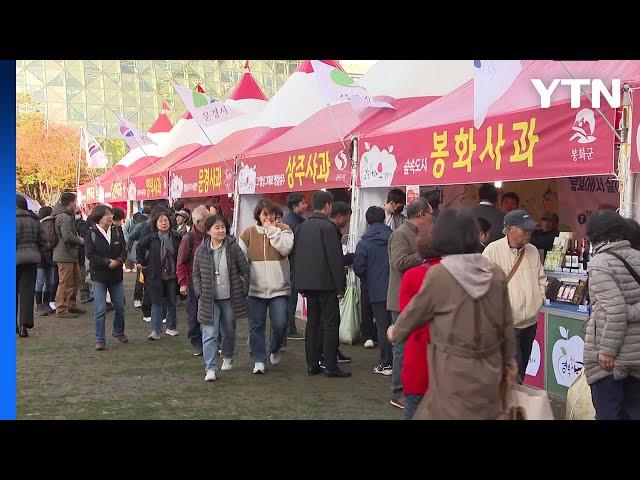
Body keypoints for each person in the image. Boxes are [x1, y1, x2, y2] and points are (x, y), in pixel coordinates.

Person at [388, 208, 517, 420]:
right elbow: (506, 328)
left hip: (452, 375)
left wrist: (394, 331)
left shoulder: (440, 274)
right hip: (489, 375)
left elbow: (409, 319)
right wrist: (508, 362)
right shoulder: (495, 273)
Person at [584, 210, 640, 420]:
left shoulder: (600, 263)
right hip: (636, 354)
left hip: (612, 358)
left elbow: (614, 310)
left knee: (608, 413)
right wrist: (630, 311)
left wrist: (607, 351)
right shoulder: (637, 256)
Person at [482, 209, 546, 384]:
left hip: (530, 322)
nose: (529, 233)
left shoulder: (532, 251)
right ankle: (509, 407)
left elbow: (542, 279)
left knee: (521, 368)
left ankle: (511, 405)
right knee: (513, 372)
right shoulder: (492, 251)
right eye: (524, 229)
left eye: (530, 229)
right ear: (509, 229)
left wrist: (539, 299)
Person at [294, 190, 351, 378]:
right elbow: (335, 260)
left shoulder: (302, 227)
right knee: (330, 324)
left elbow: (297, 257)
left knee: (312, 324)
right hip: (326, 284)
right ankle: (330, 365)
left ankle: (312, 364)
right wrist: (340, 286)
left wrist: (299, 283)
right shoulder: (328, 228)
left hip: (307, 283)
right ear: (327, 206)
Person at [387, 197, 435, 409]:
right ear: (422, 215)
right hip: (401, 298)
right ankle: (398, 392)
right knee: (401, 347)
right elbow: (399, 262)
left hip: (418, 298)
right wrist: (425, 254)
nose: (433, 220)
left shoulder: (419, 234)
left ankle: (412, 388)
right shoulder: (400, 234)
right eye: (431, 215)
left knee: (414, 346)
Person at [239, 198, 294, 374]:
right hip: (255, 289)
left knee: (280, 323)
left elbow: (285, 249)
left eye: (271, 213)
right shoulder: (248, 234)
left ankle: (275, 347)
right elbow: (240, 258)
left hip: (279, 288)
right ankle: (259, 360)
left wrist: (272, 230)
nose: (268, 217)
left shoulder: (284, 230)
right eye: (264, 214)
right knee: (256, 325)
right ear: (258, 215)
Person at [193, 215, 250, 381]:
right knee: (209, 333)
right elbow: (195, 274)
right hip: (208, 299)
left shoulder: (233, 247)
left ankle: (227, 354)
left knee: (228, 330)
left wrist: (243, 288)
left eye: (223, 227)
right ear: (208, 231)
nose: (221, 230)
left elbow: (245, 269)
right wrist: (199, 291)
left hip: (229, 297)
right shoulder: (201, 250)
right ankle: (210, 368)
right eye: (217, 228)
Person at [398, 224, 441, 420]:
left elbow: (406, 317)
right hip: (448, 358)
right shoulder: (455, 274)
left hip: (417, 353)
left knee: (414, 410)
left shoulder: (412, 276)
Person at [353, 206, 393, 375]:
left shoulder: (364, 243)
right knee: (398, 325)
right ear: (384, 219)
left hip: (376, 290)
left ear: (367, 222)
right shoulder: (394, 237)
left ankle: (386, 363)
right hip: (397, 287)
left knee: (383, 328)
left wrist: (368, 279)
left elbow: (359, 267)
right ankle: (399, 362)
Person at [85, 204, 128, 350]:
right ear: (99, 217)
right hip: (99, 275)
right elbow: (90, 254)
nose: (110, 216)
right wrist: (106, 262)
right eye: (106, 214)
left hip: (116, 275)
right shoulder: (91, 233)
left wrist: (119, 261)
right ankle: (100, 339)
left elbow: (124, 249)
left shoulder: (117, 231)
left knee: (120, 306)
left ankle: (118, 331)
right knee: (100, 308)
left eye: (110, 214)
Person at [136, 210, 182, 340]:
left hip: (172, 274)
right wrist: (142, 263)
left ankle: (171, 327)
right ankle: (155, 330)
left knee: (172, 300)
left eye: (166, 220)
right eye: (161, 221)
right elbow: (139, 247)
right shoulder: (152, 237)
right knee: (156, 302)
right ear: (155, 223)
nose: (164, 223)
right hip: (155, 274)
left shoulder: (176, 236)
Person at [177, 205, 210, 356]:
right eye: (207, 220)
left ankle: (213, 343)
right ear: (198, 222)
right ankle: (197, 342)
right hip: (193, 283)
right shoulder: (188, 238)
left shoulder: (212, 235)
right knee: (194, 315)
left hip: (211, 282)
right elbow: (181, 262)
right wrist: (183, 283)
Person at [129, 204, 170, 322]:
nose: (163, 221)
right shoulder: (147, 226)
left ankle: (161, 314)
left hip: (162, 262)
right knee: (148, 287)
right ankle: (147, 312)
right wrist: (140, 261)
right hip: (149, 262)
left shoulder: (166, 229)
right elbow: (140, 245)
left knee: (161, 287)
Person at [17, 194, 46, 337]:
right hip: (31, 259)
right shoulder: (35, 220)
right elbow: (43, 240)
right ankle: (24, 325)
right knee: (27, 293)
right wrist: (36, 251)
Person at [52, 192, 86, 318]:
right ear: (71, 203)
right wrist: (80, 240)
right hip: (64, 253)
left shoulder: (65, 216)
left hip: (70, 253)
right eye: (75, 202)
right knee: (65, 282)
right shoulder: (64, 217)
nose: (76, 205)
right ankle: (61, 308)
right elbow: (67, 236)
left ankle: (71, 304)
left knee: (75, 280)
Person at [282, 193, 308, 341]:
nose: (305, 206)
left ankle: (288, 327)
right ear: (295, 206)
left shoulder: (289, 220)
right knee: (290, 297)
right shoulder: (293, 222)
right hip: (292, 264)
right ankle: (289, 328)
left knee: (290, 297)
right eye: (303, 203)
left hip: (290, 264)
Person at [35, 206, 56, 316]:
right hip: (43, 257)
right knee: (42, 281)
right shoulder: (43, 224)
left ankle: (44, 303)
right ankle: (40, 304)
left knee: (48, 281)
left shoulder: (45, 223)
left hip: (46, 256)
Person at [75, 206, 92, 304]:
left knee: (83, 273)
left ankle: (84, 294)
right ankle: (83, 294)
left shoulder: (83, 223)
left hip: (81, 252)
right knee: (81, 274)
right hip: (76, 252)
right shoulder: (69, 222)